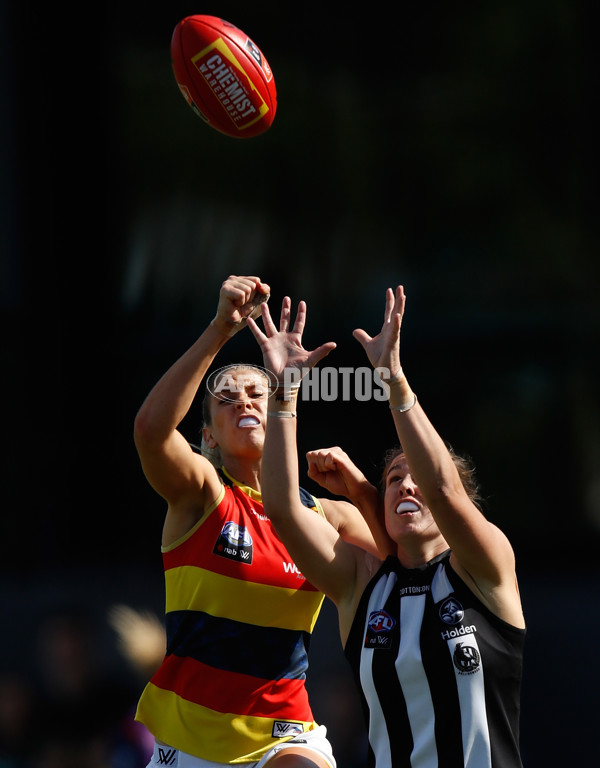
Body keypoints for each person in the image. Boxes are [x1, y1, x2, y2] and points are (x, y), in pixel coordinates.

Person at [248, 286, 526, 768]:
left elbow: (443, 489)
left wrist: (393, 381)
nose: (406, 487)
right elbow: (283, 508)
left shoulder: (486, 568)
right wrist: (282, 391)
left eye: (416, 476)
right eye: (394, 479)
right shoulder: (365, 586)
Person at [132, 275, 389, 768]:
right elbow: (149, 431)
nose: (245, 402)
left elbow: (405, 566)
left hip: (284, 735)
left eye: (258, 394)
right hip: (188, 744)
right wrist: (219, 329)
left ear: (281, 414)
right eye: (227, 399)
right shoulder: (202, 495)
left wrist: (360, 489)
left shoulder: (328, 516)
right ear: (208, 436)